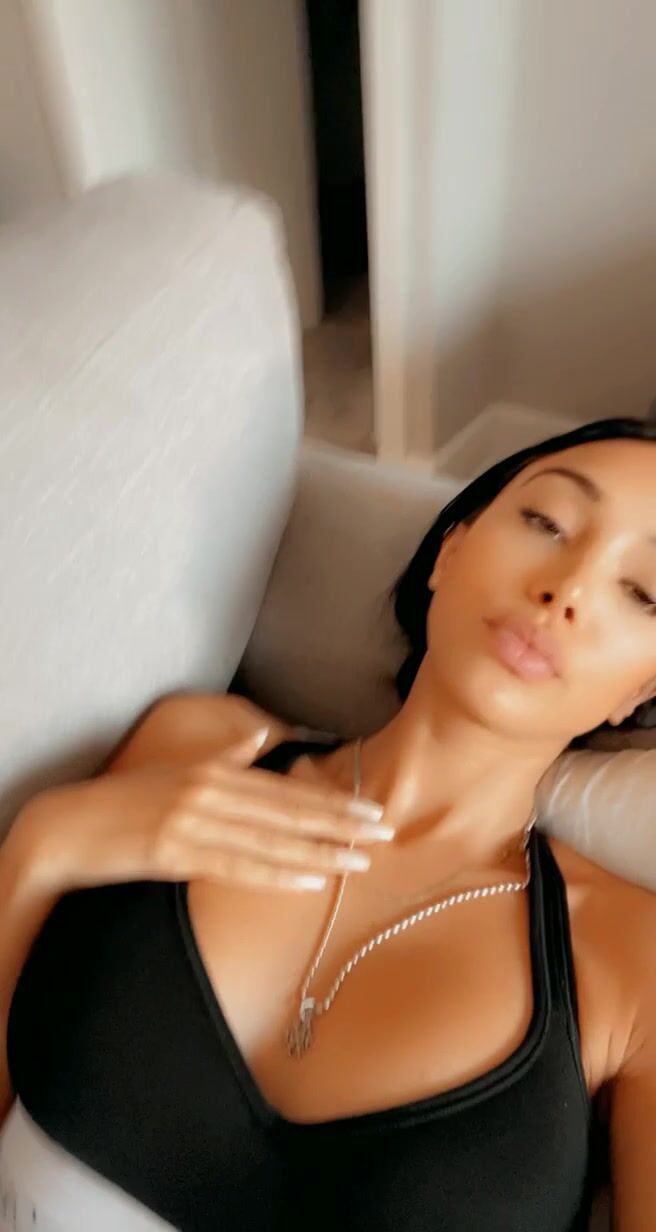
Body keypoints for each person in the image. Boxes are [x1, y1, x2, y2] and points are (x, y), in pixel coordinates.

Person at [1, 417, 656, 1232]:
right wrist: (41, 847)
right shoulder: (193, 750)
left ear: (640, 691)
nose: (569, 588)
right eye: (546, 522)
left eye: (642, 592)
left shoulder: (632, 961)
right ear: (451, 550)